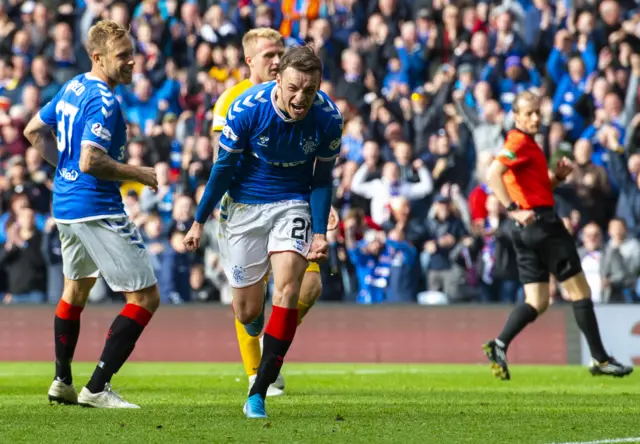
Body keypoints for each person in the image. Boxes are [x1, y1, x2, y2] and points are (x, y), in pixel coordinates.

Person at [184, 45, 342, 418]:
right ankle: (255, 320)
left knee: (289, 287)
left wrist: (319, 233)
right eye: (293, 88)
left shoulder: (328, 118)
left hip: (292, 202)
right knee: (246, 312)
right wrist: (198, 220)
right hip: (244, 207)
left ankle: (259, 389)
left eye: (310, 89)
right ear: (277, 80)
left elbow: (322, 179)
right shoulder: (247, 109)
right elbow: (222, 169)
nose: (301, 98)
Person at [22, 20, 161, 408]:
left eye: (133, 53)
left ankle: (62, 381)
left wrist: (62, 170)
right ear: (98, 57)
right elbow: (90, 160)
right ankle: (97, 387)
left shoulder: (72, 86)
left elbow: (34, 131)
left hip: (65, 206)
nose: (133, 62)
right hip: (96, 207)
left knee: (75, 290)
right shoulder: (104, 99)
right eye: (124, 56)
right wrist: (138, 173)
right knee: (145, 298)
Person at [481, 91, 632, 380]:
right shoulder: (518, 141)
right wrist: (512, 209)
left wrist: (557, 179)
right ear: (516, 117)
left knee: (537, 301)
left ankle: (499, 344)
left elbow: (534, 187)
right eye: (529, 113)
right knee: (580, 292)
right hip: (542, 224)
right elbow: (492, 174)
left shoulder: (531, 146)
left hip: (524, 231)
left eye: (538, 112)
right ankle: (600, 360)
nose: (536, 117)